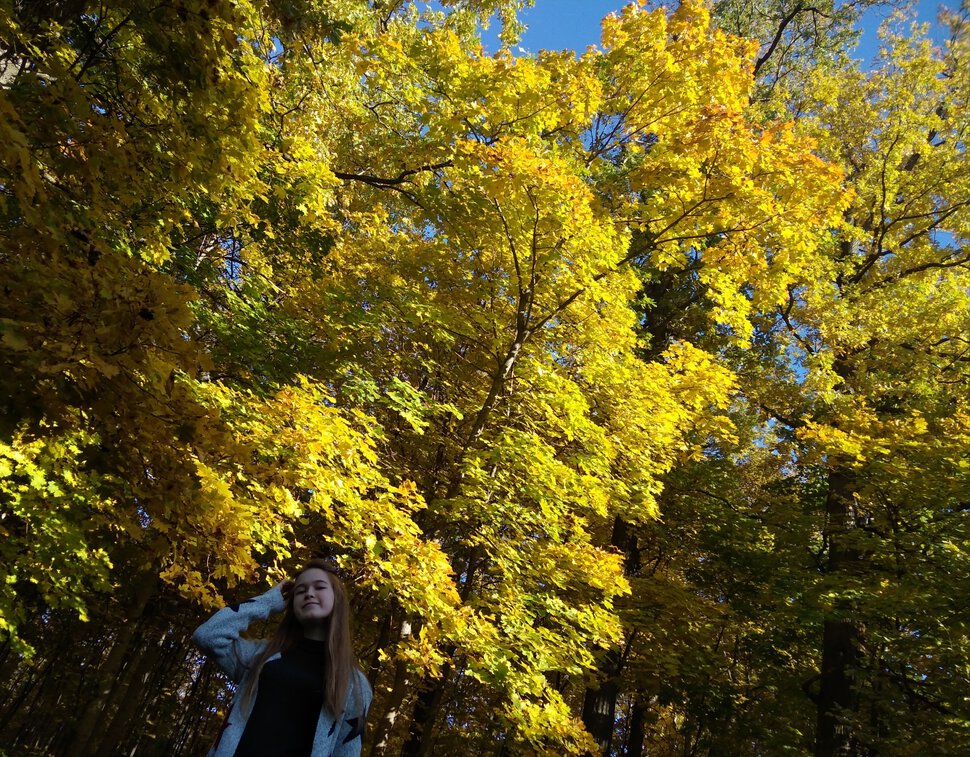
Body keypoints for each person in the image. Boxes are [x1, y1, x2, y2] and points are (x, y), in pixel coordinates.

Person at [192, 559, 372, 757]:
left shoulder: (355, 684)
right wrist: (268, 601)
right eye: (301, 591)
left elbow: (347, 751)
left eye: (319, 587)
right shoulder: (260, 656)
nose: (309, 593)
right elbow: (207, 636)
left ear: (337, 598)